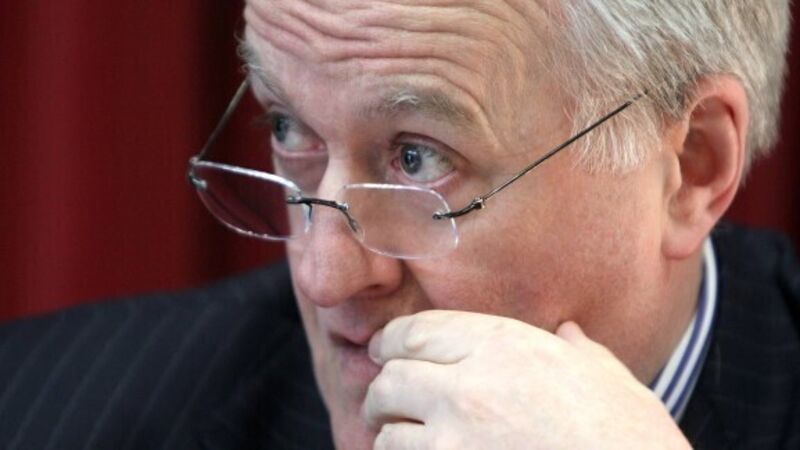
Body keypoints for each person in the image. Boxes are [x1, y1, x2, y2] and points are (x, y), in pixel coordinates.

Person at [0, 1, 797, 449]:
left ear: (692, 165)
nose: (322, 275)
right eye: (289, 129)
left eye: (417, 159)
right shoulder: (39, 410)